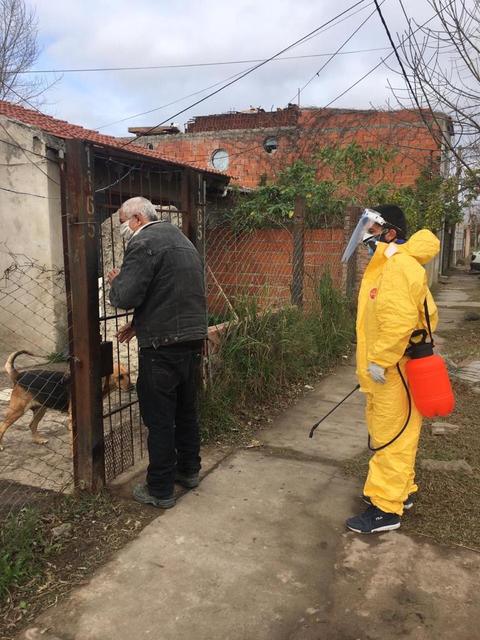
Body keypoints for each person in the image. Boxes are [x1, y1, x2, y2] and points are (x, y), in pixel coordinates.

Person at [341, 204, 439, 533]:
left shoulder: (396, 267)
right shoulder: (388, 264)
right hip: (391, 368)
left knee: (390, 437)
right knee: (398, 433)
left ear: (390, 232)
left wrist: (381, 361)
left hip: (393, 370)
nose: (366, 236)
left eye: (371, 229)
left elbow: (397, 321)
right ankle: (402, 490)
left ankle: (386, 509)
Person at [107, 196, 207, 509]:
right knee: (185, 411)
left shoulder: (143, 243)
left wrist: (116, 281)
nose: (124, 228)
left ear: (137, 218)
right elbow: (170, 292)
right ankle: (189, 471)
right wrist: (140, 323)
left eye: (124, 222)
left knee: (160, 419)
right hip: (191, 342)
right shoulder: (183, 241)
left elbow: (125, 295)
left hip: (161, 347)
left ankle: (160, 489)